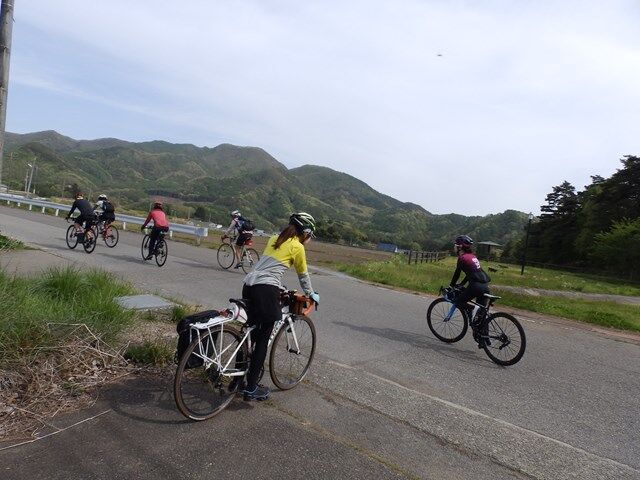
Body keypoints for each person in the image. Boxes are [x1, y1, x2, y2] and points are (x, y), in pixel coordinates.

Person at [239, 212, 320, 401]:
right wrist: (311, 294)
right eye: (310, 235)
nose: (309, 239)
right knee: (263, 339)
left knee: (251, 335)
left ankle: (238, 381)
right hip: (265, 288)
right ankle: (251, 388)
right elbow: (303, 276)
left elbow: (269, 267)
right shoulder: (298, 247)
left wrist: (279, 287)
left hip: (249, 285)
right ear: (306, 232)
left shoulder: (274, 238)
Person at [449, 235, 491, 326]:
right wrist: (462, 284)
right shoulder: (472, 257)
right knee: (481, 318)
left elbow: (457, 274)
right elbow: (471, 273)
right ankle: (482, 334)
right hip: (485, 286)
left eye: (456, 245)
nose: (454, 247)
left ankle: (475, 309)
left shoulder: (462, 258)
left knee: (459, 302)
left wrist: (451, 286)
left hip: (476, 286)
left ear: (460, 247)